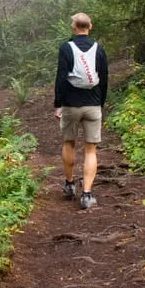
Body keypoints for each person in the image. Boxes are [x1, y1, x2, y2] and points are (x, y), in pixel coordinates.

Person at [54, 12, 108, 210]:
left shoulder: (66, 48)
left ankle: (69, 185)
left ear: (74, 27)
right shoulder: (99, 49)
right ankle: (87, 194)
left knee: (69, 142)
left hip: (71, 104)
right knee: (90, 149)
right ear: (90, 26)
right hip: (93, 104)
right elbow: (104, 78)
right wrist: (100, 103)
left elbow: (61, 78)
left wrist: (58, 104)